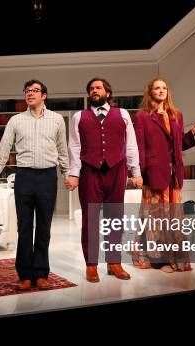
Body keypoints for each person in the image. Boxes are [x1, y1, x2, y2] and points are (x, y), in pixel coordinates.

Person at [0, 79, 69, 291]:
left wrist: (67, 174)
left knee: (44, 228)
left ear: (44, 95)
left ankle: (41, 273)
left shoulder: (56, 120)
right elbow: (3, 151)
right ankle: (25, 274)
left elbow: (63, 150)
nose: (30, 94)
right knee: (24, 228)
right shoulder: (16, 120)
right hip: (24, 177)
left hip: (47, 177)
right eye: (27, 90)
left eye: (35, 91)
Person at [66, 77, 142, 283]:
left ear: (108, 93)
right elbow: (74, 147)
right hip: (90, 172)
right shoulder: (79, 117)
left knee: (115, 218)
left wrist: (135, 172)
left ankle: (114, 263)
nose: (94, 90)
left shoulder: (123, 114)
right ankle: (91, 265)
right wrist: (73, 173)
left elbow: (131, 144)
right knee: (90, 219)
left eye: (98, 87)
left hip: (117, 171)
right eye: (91, 88)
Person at [131, 78, 195, 273]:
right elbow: (139, 147)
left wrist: (194, 131)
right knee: (153, 218)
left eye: (164, 88)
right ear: (150, 92)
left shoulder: (176, 115)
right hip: (153, 173)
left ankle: (175, 257)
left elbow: (179, 144)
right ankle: (158, 259)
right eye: (157, 88)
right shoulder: (142, 117)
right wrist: (138, 173)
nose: (161, 90)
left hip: (174, 175)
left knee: (174, 218)